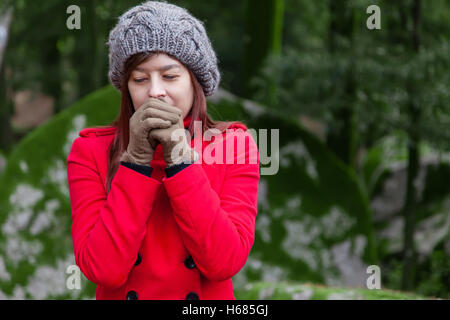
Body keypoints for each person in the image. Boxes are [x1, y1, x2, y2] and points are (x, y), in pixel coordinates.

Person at [66, 0, 260, 300]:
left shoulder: (233, 146)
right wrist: (136, 161)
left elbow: (224, 262)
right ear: (126, 87)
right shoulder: (90, 151)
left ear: (195, 82)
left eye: (170, 76)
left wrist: (181, 161)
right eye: (140, 79)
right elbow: (101, 269)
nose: (155, 91)